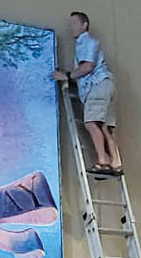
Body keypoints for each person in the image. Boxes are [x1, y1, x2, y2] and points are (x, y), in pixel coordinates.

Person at [52, 11, 122, 175]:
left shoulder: (87, 41)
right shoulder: (87, 43)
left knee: (91, 123)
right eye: (71, 25)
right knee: (103, 126)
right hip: (106, 84)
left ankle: (102, 162)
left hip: (98, 85)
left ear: (85, 25)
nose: (72, 28)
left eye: (75, 24)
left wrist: (67, 76)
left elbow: (87, 67)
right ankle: (115, 162)